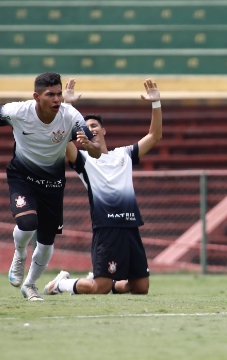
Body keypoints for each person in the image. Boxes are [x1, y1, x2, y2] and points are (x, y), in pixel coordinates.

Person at [0, 72, 101, 301]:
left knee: (46, 243)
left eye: (59, 94)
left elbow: (95, 149)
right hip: (22, 177)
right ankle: (19, 253)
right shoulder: (19, 111)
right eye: (50, 94)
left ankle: (30, 284)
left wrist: (88, 145)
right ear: (36, 97)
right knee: (26, 223)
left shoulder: (71, 116)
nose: (56, 99)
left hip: (52, 184)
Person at [42, 78, 161, 296]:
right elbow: (62, 141)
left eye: (94, 126)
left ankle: (102, 280)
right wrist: (66, 106)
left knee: (140, 288)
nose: (91, 129)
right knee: (100, 288)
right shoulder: (84, 160)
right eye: (85, 128)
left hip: (130, 226)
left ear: (103, 131)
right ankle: (61, 284)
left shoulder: (123, 154)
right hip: (106, 228)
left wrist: (156, 104)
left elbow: (154, 136)